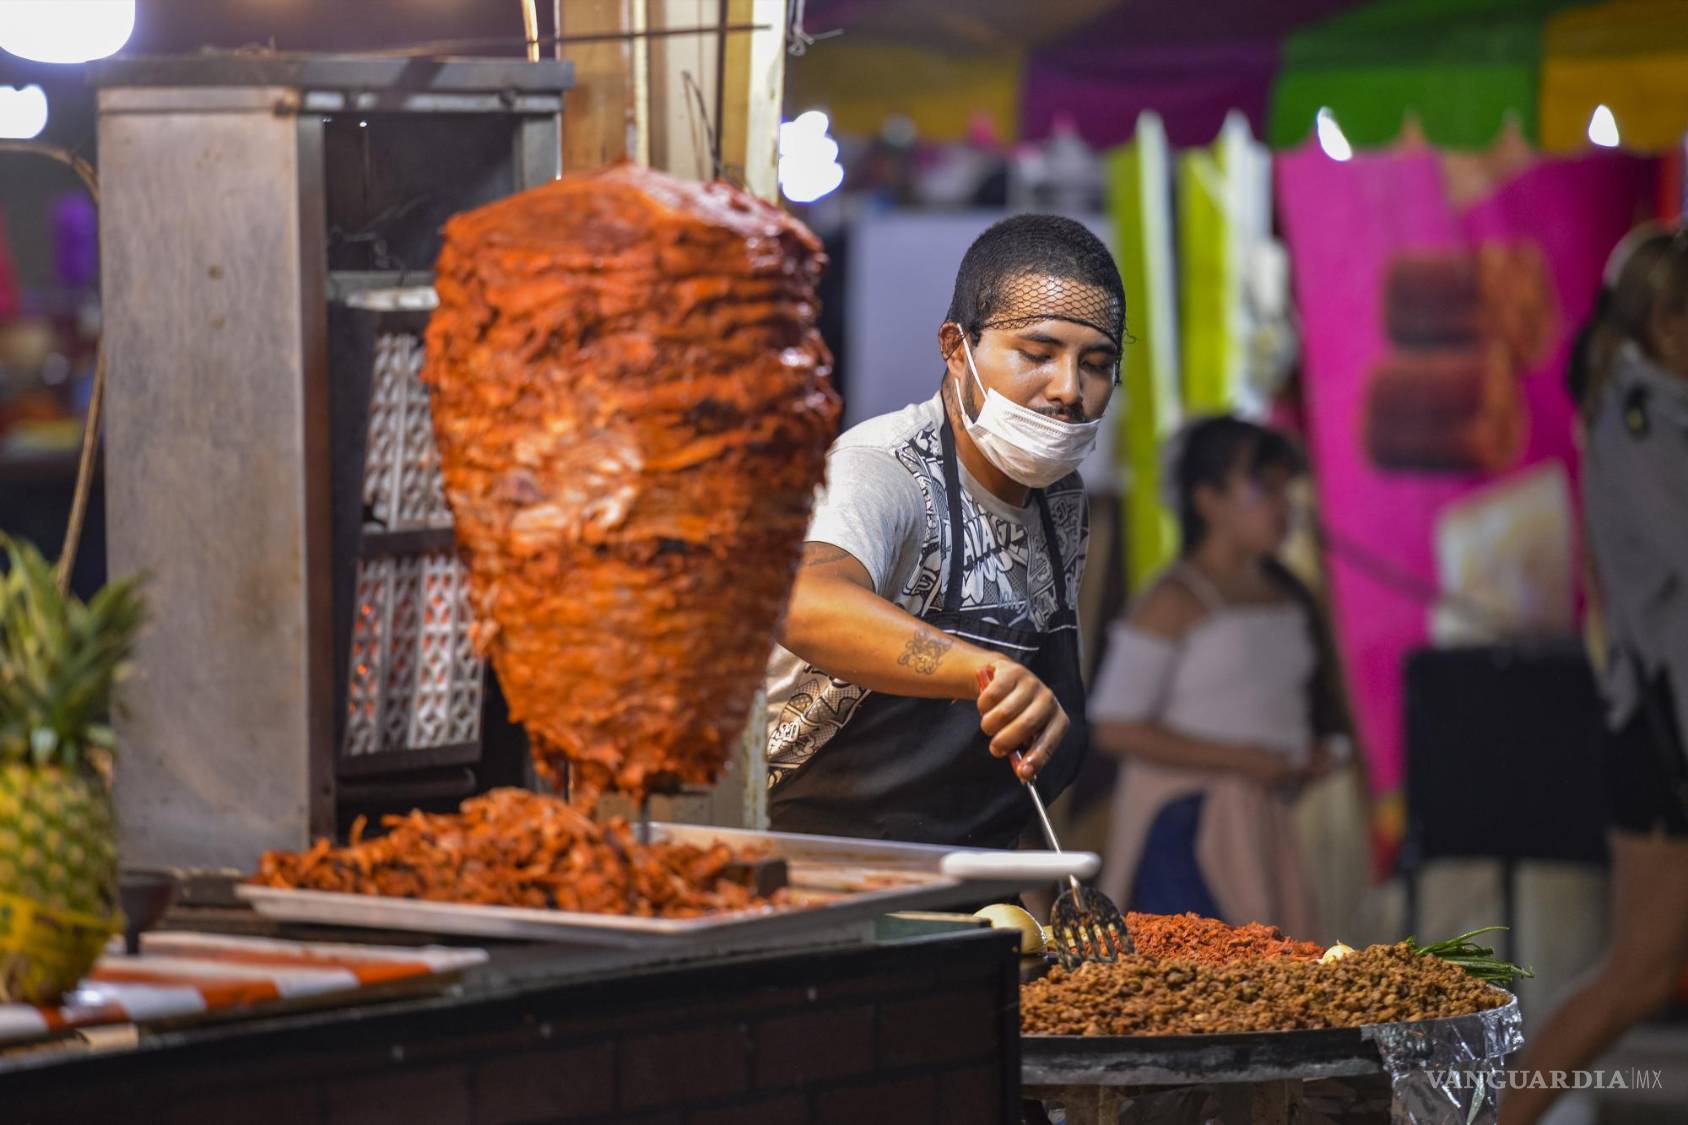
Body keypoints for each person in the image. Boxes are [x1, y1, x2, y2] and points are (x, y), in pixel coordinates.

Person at [763, 215, 1124, 847]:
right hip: (815, 863)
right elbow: (803, 603)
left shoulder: (1060, 501)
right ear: (957, 348)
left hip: (962, 875)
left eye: (1095, 364)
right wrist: (980, 670)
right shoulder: (887, 469)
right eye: (1038, 355)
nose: (1069, 390)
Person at [1500, 225, 1688, 1125]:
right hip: (1664, 727)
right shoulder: (1639, 419)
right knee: (1638, 974)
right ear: (1668, 321)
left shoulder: (1657, 409)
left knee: (1638, 972)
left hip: (1660, 718)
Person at [1089, 417, 1345, 936]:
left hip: (1262, 821)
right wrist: (1244, 760)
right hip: (1186, 829)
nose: (1284, 505)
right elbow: (1114, 727)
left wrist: (1312, 755)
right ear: (1207, 500)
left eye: (1286, 489)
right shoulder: (1172, 600)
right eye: (1264, 489)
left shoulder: (1290, 595)